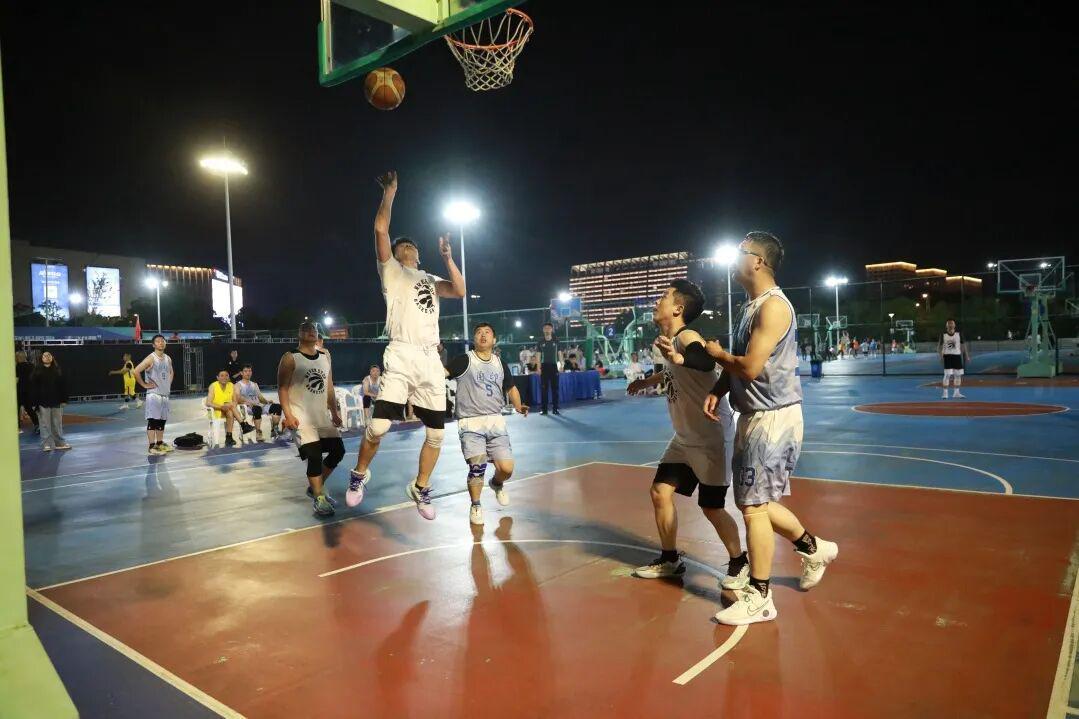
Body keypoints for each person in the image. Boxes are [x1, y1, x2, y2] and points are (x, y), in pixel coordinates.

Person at [696, 231, 838, 626]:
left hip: (773, 417)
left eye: (740, 251)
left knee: (754, 508)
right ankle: (814, 548)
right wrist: (719, 388)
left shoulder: (773, 307)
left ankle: (760, 595)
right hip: (754, 415)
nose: (734, 257)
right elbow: (742, 365)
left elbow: (750, 366)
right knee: (754, 502)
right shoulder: (751, 306)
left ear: (757, 261)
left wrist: (717, 354)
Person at [345, 170, 466, 519]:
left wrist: (448, 257)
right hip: (401, 353)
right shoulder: (393, 273)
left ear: (419, 255)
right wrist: (390, 192)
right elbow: (380, 229)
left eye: (413, 245)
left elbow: (459, 290)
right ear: (396, 255)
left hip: (430, 359)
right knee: (379, 427)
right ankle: (359, 475)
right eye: (403, 245)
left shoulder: (430, 278)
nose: (409, 246)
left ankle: (420, 487)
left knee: (437, 435)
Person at [631, 280, 746, 588]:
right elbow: (673, 371)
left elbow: (704, 359)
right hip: (684, 438)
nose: (656, 300)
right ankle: (670, 559)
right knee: (660, 492)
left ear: (678, 308)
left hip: (710, 437)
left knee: (712, 507)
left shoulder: (686, 337)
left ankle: (740, 563)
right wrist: (646, 381)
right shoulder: (671, 341)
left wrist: (680, 357)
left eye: (663, 296)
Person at [445, 323, 528, 526]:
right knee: (477, 466)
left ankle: (497, 483)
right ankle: (476, 505)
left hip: (495, 420)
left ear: (494, 340)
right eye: (479, 333)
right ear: (474, 339)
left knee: (506, 469)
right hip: (470, 422)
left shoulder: (500, 363)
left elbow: (511, 388)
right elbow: (442, 373)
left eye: (487, 332)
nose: (483, 335)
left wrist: (518, 405)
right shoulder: (465, 360)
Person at [278, 321, 345, 516]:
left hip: (320, 415)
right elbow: (282, 388)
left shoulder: (325, 356)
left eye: (314, 329)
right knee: (314, 455)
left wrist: (334, 412)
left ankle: (315, 487)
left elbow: (329, 386)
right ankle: (319, 497)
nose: (311, 331)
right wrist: (288, 414)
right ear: (298, 334)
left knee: (338, 451)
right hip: (300, 415)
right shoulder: (290, 358)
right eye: (306, 329)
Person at [134, 335, 174, 455]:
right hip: (154, 394)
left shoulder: (168, 358)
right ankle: (152, 446)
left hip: (164, 394)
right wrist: (144, 385)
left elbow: (171, 371)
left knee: (162, 421)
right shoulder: (151, 358)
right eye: (158, 341)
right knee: (153, 421)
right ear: (153, 345)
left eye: (162, 341)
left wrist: (167, 384)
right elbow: (136, 371)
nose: (161, 343)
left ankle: (160, 443)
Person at [32, 351, 70, 451]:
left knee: (57, 423)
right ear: (41, 358)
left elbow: (63, 386)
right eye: (45, 356)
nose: (47, 357)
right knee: (44, 424)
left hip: (56, 401)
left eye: (49, 355)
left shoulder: (58, 370)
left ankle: (59, 443)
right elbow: (33, 389)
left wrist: (64, 400)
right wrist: (34, 403)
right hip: (42, 402)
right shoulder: (36, 372)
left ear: (52, 357)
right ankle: (46, 444)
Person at [234, 364, 273, 441]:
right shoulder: (238, 385)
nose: (248, 373)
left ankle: (274, 429)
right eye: (245, 371)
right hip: (247, 408)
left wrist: (267, 402)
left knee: (276, 407)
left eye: (249, 371)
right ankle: (258, 433)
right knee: (257, 409)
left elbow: (260, 397)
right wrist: (248, 402)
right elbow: (237, 397)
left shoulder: (254, 384)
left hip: (258, 405)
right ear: (241, 373)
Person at [206, 370, 246, 447]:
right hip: (217, 410)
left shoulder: (231, 385)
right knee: (230, 406)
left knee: (230, 411)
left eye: (226, 375)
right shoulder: (213, 386)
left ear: (228, 377)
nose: (224, 377)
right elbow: (208, 403)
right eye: (222, 375)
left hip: (229, 410)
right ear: (217, 377)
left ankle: (229, 438)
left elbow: (235, 401)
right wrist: (221, 407)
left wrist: (230, 406)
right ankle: (243, 425)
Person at [939, 319, 972, 399]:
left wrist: (966, 356)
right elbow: (939, 347)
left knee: (958, 375)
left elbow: (963, 346)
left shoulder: (959, 334)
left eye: (952, 323)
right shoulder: (943, 335)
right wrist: (941, 356)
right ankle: (945, 393)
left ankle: (956, 393)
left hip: (957, 356)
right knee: (947, 375)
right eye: (949, 324)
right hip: (947, 356)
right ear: (946, 326)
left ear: (954, 325)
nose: (950, 325)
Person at [535, 323, 563, 416]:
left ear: (552, 329)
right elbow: (538, 356)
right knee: (544, 389)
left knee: (555, 389)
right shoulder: (540, 342)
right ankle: (544, 410)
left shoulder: (556, 341)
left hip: (554, 367)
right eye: (545, 328)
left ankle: (555, 409)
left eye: (549, 328)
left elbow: (560, 354)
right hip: (544, 367)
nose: (547, 330)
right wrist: (538, 368)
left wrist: (561, 364)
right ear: (543, 330)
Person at [15, 351, 38, 435]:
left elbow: (16, 379)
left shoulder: (17, 366)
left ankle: (17, 428)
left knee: (16, 409)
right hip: (29, 390)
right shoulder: (32, 366)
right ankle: (37, 424)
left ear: (18, 358)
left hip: (19, 390)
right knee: (28, 408)